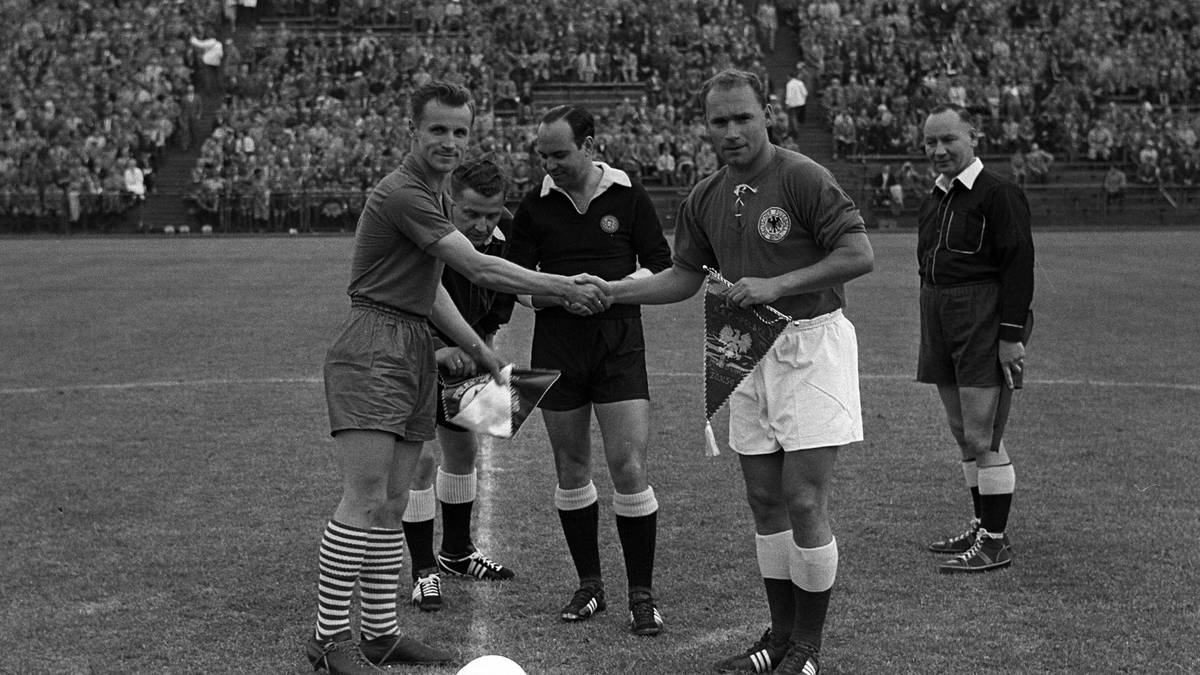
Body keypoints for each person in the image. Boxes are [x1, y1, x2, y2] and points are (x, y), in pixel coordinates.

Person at [308, 82, 610, 675]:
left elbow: (431, 291)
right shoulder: (404, 192)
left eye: (460, 131)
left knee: (394, 500)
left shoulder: (436, 196)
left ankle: (380, 634)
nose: (449, 141)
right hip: (373, 346)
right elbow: (476, 267)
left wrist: (479, 350)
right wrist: (561, 285)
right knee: (363, 497)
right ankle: (328, 639)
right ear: (412, 133)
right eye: (438, 130)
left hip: (410, 346)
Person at [609, 69, 874, 675]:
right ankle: (779, 637)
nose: (731, 131)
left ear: (767, 116)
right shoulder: (705, 195)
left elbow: (859, 253)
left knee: (803, 499)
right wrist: (614, 291)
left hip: (810, 344)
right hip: (745, 348)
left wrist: (778, 284)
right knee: (764, 499)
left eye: (742, 118)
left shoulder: (803, 176)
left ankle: (807, 645)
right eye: (719, 121)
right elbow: (684, 277)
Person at [506, 104, 673, 636]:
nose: (549, 165)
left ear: (590, 145)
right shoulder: (533, 205)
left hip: (619, 341)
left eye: (559, 154)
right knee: (571, 464)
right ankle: (590, 585)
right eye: (543, 156)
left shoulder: (628, 195)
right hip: (557, 346)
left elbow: (661, 264)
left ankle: (641, 595)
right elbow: (515, 280)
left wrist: (612, 292)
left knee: (628, 465)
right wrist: (562, 294)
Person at [916, 104, 1034, 576]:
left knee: (984, 436)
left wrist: (1010, 336)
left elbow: (1019, 266)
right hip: (938, 313)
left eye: (949, 139)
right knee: (962, 431)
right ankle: (983, 525)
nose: (939, 150)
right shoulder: (936, 195)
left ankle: (995, 543)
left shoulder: (999, 193)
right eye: (930, 142)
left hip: (981, 316)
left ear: (974, 137)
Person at [402, 158, 518, 613]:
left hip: (465, 357)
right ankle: (422, 570)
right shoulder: (425, 231)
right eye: (471, 214)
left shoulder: (506, 237)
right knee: (419, 461)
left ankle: (456, 552)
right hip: (411, 353)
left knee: (463, 450)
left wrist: (479, 355)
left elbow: (494, 308)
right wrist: (437, 350)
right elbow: (403, 305)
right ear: (450, 202)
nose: (483, 225)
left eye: (492, 215)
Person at [783, 63, 808, 138]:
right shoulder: (800, 83)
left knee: (793, 117)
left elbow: (789, 95)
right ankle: (794, 129)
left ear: (789, 77)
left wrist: (787, 103)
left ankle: (795, 131)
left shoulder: (789, 84)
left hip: (792, 104)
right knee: (795, 117)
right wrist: (802, 100)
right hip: (801, 103)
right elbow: (805, 93)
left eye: (787, 77)